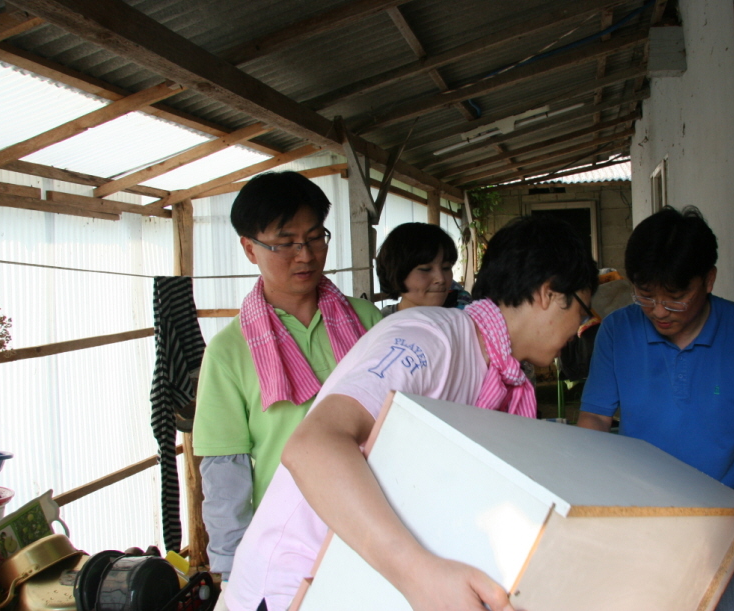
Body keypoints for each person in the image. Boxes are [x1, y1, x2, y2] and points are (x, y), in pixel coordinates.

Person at [222, 215, 598, 611]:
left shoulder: (502, 374)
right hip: (295, 586)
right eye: (583, 311)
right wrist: (419, 574)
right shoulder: (429, 341)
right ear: (548, 294)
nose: (578, 329)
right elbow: (312, 446)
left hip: (357, 581)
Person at [577, 206, 734, 611]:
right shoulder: (618, 332)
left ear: (708, 280)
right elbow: (595, 420)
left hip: (723, 528)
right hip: (639, 522)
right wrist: (587, 489)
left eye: (675, 298)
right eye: (646, 295)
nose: (658, 310)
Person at [192, 171, 382, 580]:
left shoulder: (367, 321)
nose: (306, 255)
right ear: (249, 248)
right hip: (288, 547)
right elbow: (226, 476)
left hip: (377, 527)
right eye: (285, 243)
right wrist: (231, 570)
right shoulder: (229, 351)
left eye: (315, 238)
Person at [375, 222, 472, 316]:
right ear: (396, 273)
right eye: (425, 269)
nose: (441, 279)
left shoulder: (466, 319)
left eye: (446, 268)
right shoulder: (376, 325)